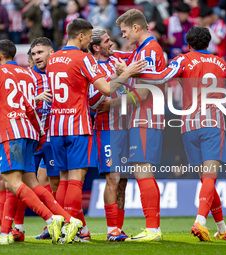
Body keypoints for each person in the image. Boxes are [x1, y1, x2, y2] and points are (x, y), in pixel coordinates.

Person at [0, 42, 81, 245]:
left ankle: (51, 218)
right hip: (29, 131)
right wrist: (39, 132)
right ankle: (70, 221)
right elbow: (29, 106)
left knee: (10, 181)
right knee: (31, 182)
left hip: (11, 131)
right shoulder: (26, 74)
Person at [45, 18, 144, 243]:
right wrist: (125, 75)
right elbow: (100, 95)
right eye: (102, 40)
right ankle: (79, 227)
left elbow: (141, 70)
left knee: (70, 179)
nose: (112, 43)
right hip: (91, 126)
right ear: (86, 39)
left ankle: (90, 228)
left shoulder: (54, 59)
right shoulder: (86, 60)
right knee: (83, 179)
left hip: (61, 125)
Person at [138, 26, 226, 241]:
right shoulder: (222, 63)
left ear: (188, 44)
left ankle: (223, 229)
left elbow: (161, 77)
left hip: (189, 124)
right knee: (210, 177)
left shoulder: (183, 59)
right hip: (213, 122)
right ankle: (200, 221)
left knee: (205, 179)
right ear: (209, 43)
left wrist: (134, 71)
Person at [113, 9, 167, 242]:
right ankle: (150, 227)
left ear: (136, 28)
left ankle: (153, 229)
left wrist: (113, 102)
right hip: (139, 118)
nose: (123, 35)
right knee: (139, 169)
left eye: (124, 31)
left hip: (146, 117)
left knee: (143, 169)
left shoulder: (150, 51)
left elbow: (145, 92)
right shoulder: (140, 51)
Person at [88, 28, 131, 241]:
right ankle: (111, 229)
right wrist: (120, 76)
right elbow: (95, 102)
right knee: (113, 178)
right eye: (106, 41)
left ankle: (118, 229)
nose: (111, 43)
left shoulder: (120, 58)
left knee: (123, 180)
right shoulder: (90, 66)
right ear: (96, 46)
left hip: (127, 127)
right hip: (106, 129)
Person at [29, 37, 62, 240]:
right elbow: (16, 102)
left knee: (55, 182)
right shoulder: (28, 76)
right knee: (36, 183)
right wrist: (35, 98)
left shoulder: (59, 73)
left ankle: (62, 222)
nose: (37, 57)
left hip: (54, 135)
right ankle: (52, 222)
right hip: (34, 136)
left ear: (51, 52)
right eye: (33, 54)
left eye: (40, 52)